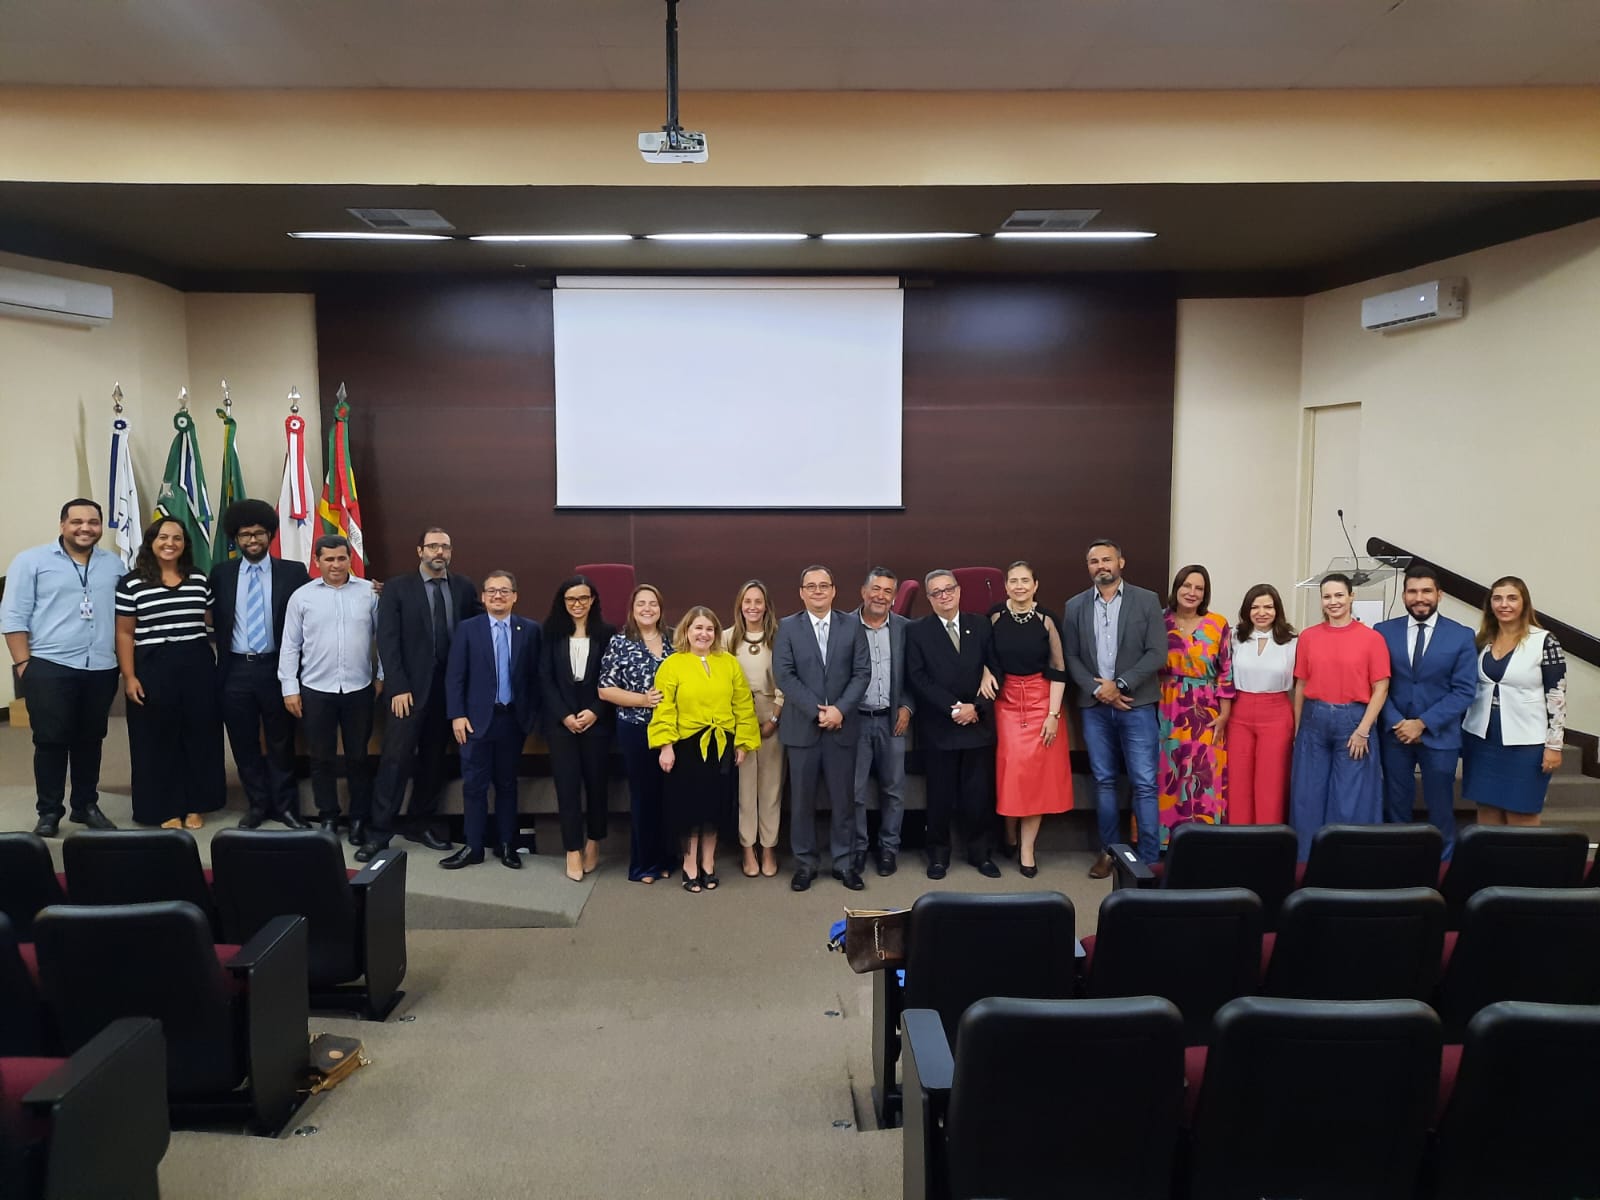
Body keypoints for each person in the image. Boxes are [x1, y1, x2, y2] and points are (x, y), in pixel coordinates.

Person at [2, 499, 122, 837]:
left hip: (100, 667)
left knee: (91, 739)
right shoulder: (31, 562)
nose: (86, 528)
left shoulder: (114, 565)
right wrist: (24, 664)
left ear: (101, 526)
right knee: (51, 741)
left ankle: (85, 806)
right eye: (77, 521)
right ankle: (50, 811)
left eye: (94, 522)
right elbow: (12, 617)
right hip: (49, 666)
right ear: (62, 525)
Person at [364, 528, 482, 862]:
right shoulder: (398, 588)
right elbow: (387, 641)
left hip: (448, 690)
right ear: (420, 551)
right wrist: (397, 687)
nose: (439, 552)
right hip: (409, 691)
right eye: (433, 546)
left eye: (445, 546)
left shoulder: (463, 587)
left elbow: (475, 631)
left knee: (434, 760)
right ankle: (379, 832)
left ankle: (420, 822)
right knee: (395, 759)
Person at [114, 516, 226, 828]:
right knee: (156, 739)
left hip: (197, 664)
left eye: (176, 538)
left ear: (184, 545)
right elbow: (124, 633)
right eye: (163, 537)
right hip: (152, 664)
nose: (169, 543)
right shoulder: (132, 582)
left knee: (200, 734)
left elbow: (211, 620)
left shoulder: (198, 579)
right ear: (151, 541)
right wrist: (130, 676)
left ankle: (196, 804)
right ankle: (163, 807)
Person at [1063, 539, 1165, 875]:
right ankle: (1109, 852)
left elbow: (1156, 653)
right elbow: (1071, 656)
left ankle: (1149, 858)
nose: (1101, 566)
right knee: (1103, 780)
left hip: (1137, 704)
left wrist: (1119, 685)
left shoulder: (1147, 600)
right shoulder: (1075, 605)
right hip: (1094, 707)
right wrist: (1099, 689)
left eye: (1107, 559)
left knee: (1145, 782)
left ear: (1121, 561)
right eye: (1094, 561)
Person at [210, 499, 310, 830]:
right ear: (235, 539)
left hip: (277, 669)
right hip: (235, 670)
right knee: (243, 741)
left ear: (270, 535)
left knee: (281, 741)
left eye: (258, 534)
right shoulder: (221, 574)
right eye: (244, 535)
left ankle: (286, 807)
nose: (252, 540)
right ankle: (257, 804)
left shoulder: (293, 572)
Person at [773, 565, 871, 892]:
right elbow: (785, 675)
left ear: (833, 590)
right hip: (803, 729)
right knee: (801, 802)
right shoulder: (787, 627)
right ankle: (805, 863)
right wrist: (819, 713)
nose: (817, 591)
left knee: (844, 801)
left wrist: (840, 709)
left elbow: (862, 673)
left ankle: (844, 864)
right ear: (801, 592)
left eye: (823, 585)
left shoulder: (852, 625)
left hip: (842, 728)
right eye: (810, 586)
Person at [648, 606, 760, 892]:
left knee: (713, 808)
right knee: (689, 810)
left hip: (720, 745)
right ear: (686, 631)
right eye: (698, 628)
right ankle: (689, 866)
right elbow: (664, 708)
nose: (704, 634)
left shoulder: (729, 663)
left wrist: (743, 742)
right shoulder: (672, 664)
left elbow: (743, 704)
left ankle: (708, 864)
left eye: (709, 629)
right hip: (686, 746)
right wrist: (666, 746)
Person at [279, 535, 380, 843]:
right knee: (321, 758)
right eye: (329, 559)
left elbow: (386, 637)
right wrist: (289, 687)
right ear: (317, 561)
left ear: (350, 558)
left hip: (359, 687)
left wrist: (383, 676)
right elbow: (290, 646)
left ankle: (360, 818)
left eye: (341, 558)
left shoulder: (370, 593)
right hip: (315, 689)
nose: (335, 565)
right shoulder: (302, 597)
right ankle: (328, 817)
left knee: (358, 757)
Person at [1375, 563, 1478, 857]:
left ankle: (1442, 865)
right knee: (1396, 803)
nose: (1419, 598)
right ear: (1404, 594)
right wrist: (1397, 722)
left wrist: (1422, 723)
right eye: (1412, 591)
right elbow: (1378, 684)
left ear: (1439, 595)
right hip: (1394, 734)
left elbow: (1464, 691)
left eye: (1426, 591)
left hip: (1440, 735)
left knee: (1441, 806)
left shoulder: (1461, 635)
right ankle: (1399, 860)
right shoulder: (1383, 632)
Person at [442, 570, 541, 869]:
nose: (498, 596)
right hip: (474, 722)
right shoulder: (467, 629)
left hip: (512, 721)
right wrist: (457, 714)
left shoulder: (531, 630)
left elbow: (536, 677)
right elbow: (455, 676)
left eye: (504, 591)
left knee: (507, 784)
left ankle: (507, 843)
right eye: (492, 591)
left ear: (515, 596)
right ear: (483, 597)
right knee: (474, 785)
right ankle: (473, 846)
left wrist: (532, 715)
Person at [905, 569, 1001, 879]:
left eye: (949, 589)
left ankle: (981, 853)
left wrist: (977, 708)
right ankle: (938, 855)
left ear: (959, 591)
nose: (944, 596)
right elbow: (918, 677)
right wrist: (954, 709)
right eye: (937, 592)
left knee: (978, 796)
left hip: (978, 725)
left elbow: (996, 669)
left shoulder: (981, 625)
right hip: (940, 727)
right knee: (940, 797)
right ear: (929, 598)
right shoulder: (918, 631)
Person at [1288, 573, 1390, 858]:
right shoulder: (1308, 636)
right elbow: (1301, 685)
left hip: (1353, 722)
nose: (1333, 602)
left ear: (1351, 597)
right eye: (1327, 596)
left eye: (1339, 595)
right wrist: (1298, 730)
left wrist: (1364, 729)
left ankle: (1347, 861)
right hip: (1313, 720)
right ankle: (1305, 863)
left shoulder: (1372, 638)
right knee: (1308, 795)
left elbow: (1381, 687)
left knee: (1350, 796)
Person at [988, 560, 1073, 878]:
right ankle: (1008, 832)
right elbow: (984, 654)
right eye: (1013, 580)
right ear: (1006, 585)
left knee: (1035, 777)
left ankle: (1026, 849)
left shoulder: (1047, 619)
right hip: (1007, 702)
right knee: (1012, 771)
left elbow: (1059, 668)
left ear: (1036, 585)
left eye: (1025, 580)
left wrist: (1053, 715)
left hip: (1042, 701)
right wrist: (985, 671)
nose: (1019, 585)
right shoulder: (995, 615)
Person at [1461, 576, 1567, 827]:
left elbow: (1557, 696)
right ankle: (1492, 865)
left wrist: (1555, 745)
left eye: (1511, 598)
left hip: (1526, 742)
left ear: (1524, 603)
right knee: (1486, 809)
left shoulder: (1544, 641)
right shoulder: (1480, 640)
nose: (1503, 604)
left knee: (1522, 813)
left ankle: (1524, 867)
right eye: (1497, 598)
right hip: (1482, 737)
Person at [539, 574, 616, 883]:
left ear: (593, 600)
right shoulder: (551, 632)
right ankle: (572, 849)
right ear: (563, 601)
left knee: (597, 785)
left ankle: (594, 841)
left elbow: (612, 678)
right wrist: (565, 716)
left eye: (583, 598)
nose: (578, 605)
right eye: (572, 599)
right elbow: (544, 679)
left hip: (597, 723)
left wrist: (595, 712)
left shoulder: (608, 634)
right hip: (561, 726)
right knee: (567, 788)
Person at [598, 584, 676, 883]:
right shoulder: (620, 642)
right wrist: (643, 700)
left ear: (660, 608)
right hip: (635, 728)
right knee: (644, 797)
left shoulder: (674, 641)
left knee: (668, 797)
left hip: (671, 731)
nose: (647, 609)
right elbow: (605, 690)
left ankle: (667, 858)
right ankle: (644, 865)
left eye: (652, 603)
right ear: (632, 609)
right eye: (641, 603)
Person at [1157, 564, 1235, 846]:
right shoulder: (1159, 621)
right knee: (1167, 770)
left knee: (1204, 772)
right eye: (1186, 586)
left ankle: (1204, 841)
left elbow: (1226, 670)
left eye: (1199, 588)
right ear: (1176, 588)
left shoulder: (1218, 624)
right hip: (1165, 704)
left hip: (1206, 706)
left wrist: (1225, 714)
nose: (1191, 592)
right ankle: (1165, 842)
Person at [850, 568, 914, 877]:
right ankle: (859, 849)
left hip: (892, 721)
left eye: (888, 591)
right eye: (875, 589)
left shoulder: (905, 628)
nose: (880, 596)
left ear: (894, 596)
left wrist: (908, 706)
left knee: (894, 790)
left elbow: (915, 674)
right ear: (863, 592)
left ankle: (889, 849)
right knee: (855, 791)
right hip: (855, 722)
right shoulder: (844, 626)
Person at [722, 580, 785, 879]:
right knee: (745, 788)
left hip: (774, 712)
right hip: (739, 715)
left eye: (758, 601)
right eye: (747, 601)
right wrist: (738, 721)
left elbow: (788, 676)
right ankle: (748, 848)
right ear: (739, 605)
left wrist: (775, 717)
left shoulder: (780, 636)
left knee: (771, 786)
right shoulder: (726, 638)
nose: (753, 607)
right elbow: (720, 683)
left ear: (766, 605)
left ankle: (769, 847)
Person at [1228, 583, 1297, 826]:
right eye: (1255, 607)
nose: (1262, 612)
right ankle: (1238, 840)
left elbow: (1302, 686)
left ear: (1277, 610)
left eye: (1268, 606)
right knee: (1238, 781)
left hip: (1277, 712)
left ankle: (1268, 841)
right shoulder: (1234, 636)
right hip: (1239, 712)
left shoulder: (1292, 641)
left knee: (1272, 782)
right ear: (1246, 610)